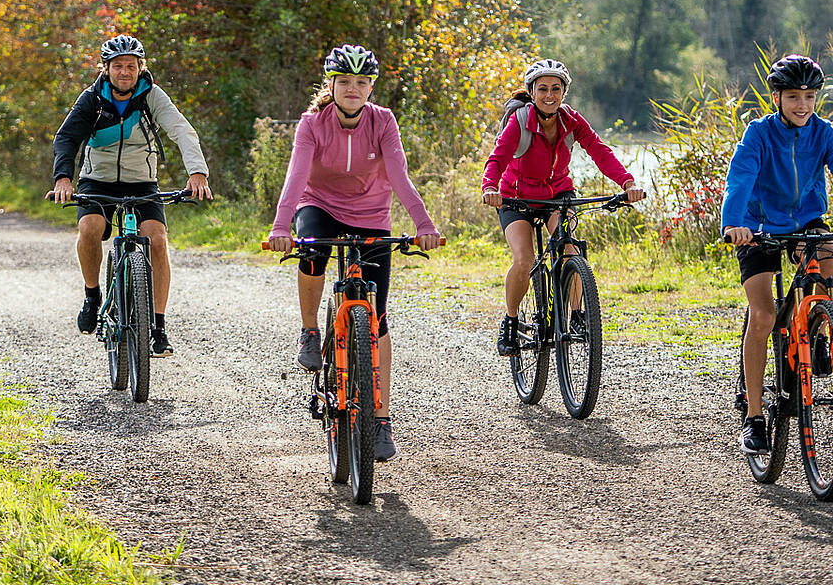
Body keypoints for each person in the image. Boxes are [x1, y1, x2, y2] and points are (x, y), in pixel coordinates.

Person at [267, 45, 444, 463]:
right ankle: (311, 330)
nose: (353, 89)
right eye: (344, 81)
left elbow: (399, 176)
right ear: (330, 85)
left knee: (377, 316)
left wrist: (423, 224)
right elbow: (296, 177)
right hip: (320, 205)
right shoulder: (313, 123)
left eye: (362, 82)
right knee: (312, 250)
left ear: (371, 87)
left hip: (370, 213)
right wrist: (281, 225)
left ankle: (381, 421)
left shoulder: (383, 121)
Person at [720, 54, 833, 455]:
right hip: (757, 227)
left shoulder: (824, 133)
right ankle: (753, 416)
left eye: (810, 96)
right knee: (763, 314)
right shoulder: (758, 133)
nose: (803, 105)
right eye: (794, 96)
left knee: (829, 259)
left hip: (805, 222)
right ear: (778, 98)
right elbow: (740, 179)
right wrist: (734, 224)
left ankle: (818, 328)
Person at [51, 34, 212, 359]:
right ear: (106, 68)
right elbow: (67, 138)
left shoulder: (151, 96)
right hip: (98, 181)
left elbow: (180, 129)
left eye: (131, 66)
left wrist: (198, 172)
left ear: (140, 68)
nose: (125, 72)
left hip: (141, 183)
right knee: (90, 229)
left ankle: (158, 327)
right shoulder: (92, 99)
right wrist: (63, 178)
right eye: (118, 66)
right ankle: (92, 295)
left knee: (157, 239)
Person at [481, 58, 646, 356]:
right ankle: (511, 320)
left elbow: (600, 152)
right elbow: (497, 158)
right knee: (525, 260)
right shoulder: (520, 121)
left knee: (571, 249)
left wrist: (627, 182)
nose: (549, 95)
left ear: (564, 92)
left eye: (555, 88)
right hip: (515, 199)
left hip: (557, 196)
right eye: (542, 88)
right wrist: (490, 187)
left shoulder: (572, 120)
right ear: (532, 92)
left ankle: (577, 314)